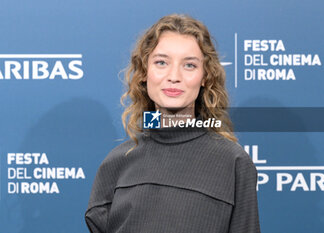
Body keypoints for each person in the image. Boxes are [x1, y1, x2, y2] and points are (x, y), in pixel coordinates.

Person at [85, 14, 261, 233]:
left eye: (189, 65)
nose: (174, 76)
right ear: (144, 72)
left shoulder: (233, 162)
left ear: (205, 76)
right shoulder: (116, 163)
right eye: (161, 62)